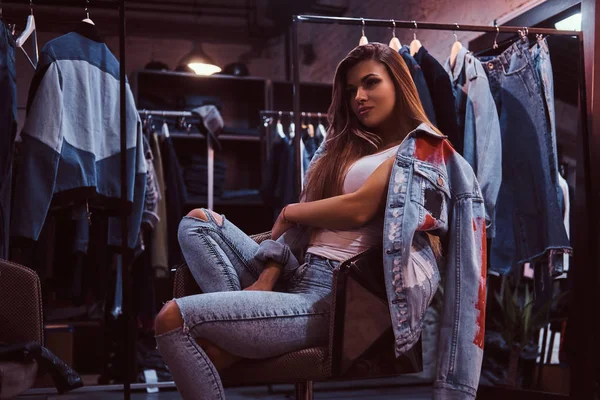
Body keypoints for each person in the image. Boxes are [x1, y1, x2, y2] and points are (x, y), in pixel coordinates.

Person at [155, 43, 485, 400]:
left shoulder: (422, 150)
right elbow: (301, 234)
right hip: (294, 273)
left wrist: (289, 211)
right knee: (197, 222)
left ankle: (234, 337)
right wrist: (267, 276)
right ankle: (238, 334)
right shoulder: (339, 148)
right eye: (351, 90)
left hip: (334, 298)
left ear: (399, 85)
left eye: (371, 83)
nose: (359, 96)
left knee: (172, 319)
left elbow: (360, 208)